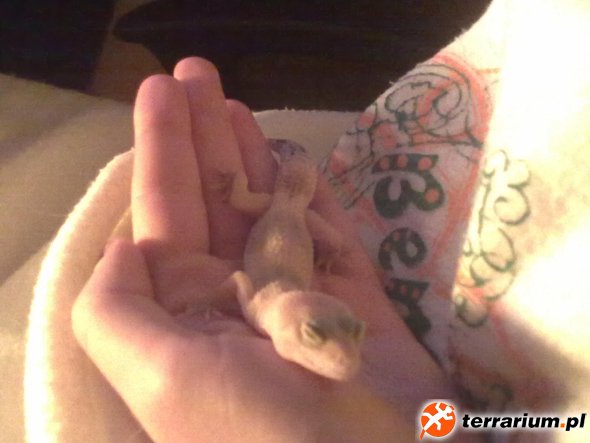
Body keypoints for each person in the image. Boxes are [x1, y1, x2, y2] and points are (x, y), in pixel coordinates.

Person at [71, 57, 458, 442]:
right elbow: (238, 280)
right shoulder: (264, 305)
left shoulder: (262, 305)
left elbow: (240, 280)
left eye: (353, 332)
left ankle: (285, 165)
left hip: (291, 213)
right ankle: (271, 166)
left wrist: (207, 305)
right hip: (284, 213)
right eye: (313, 335)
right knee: (247, 203)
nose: (345, 359)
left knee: (313, 228)